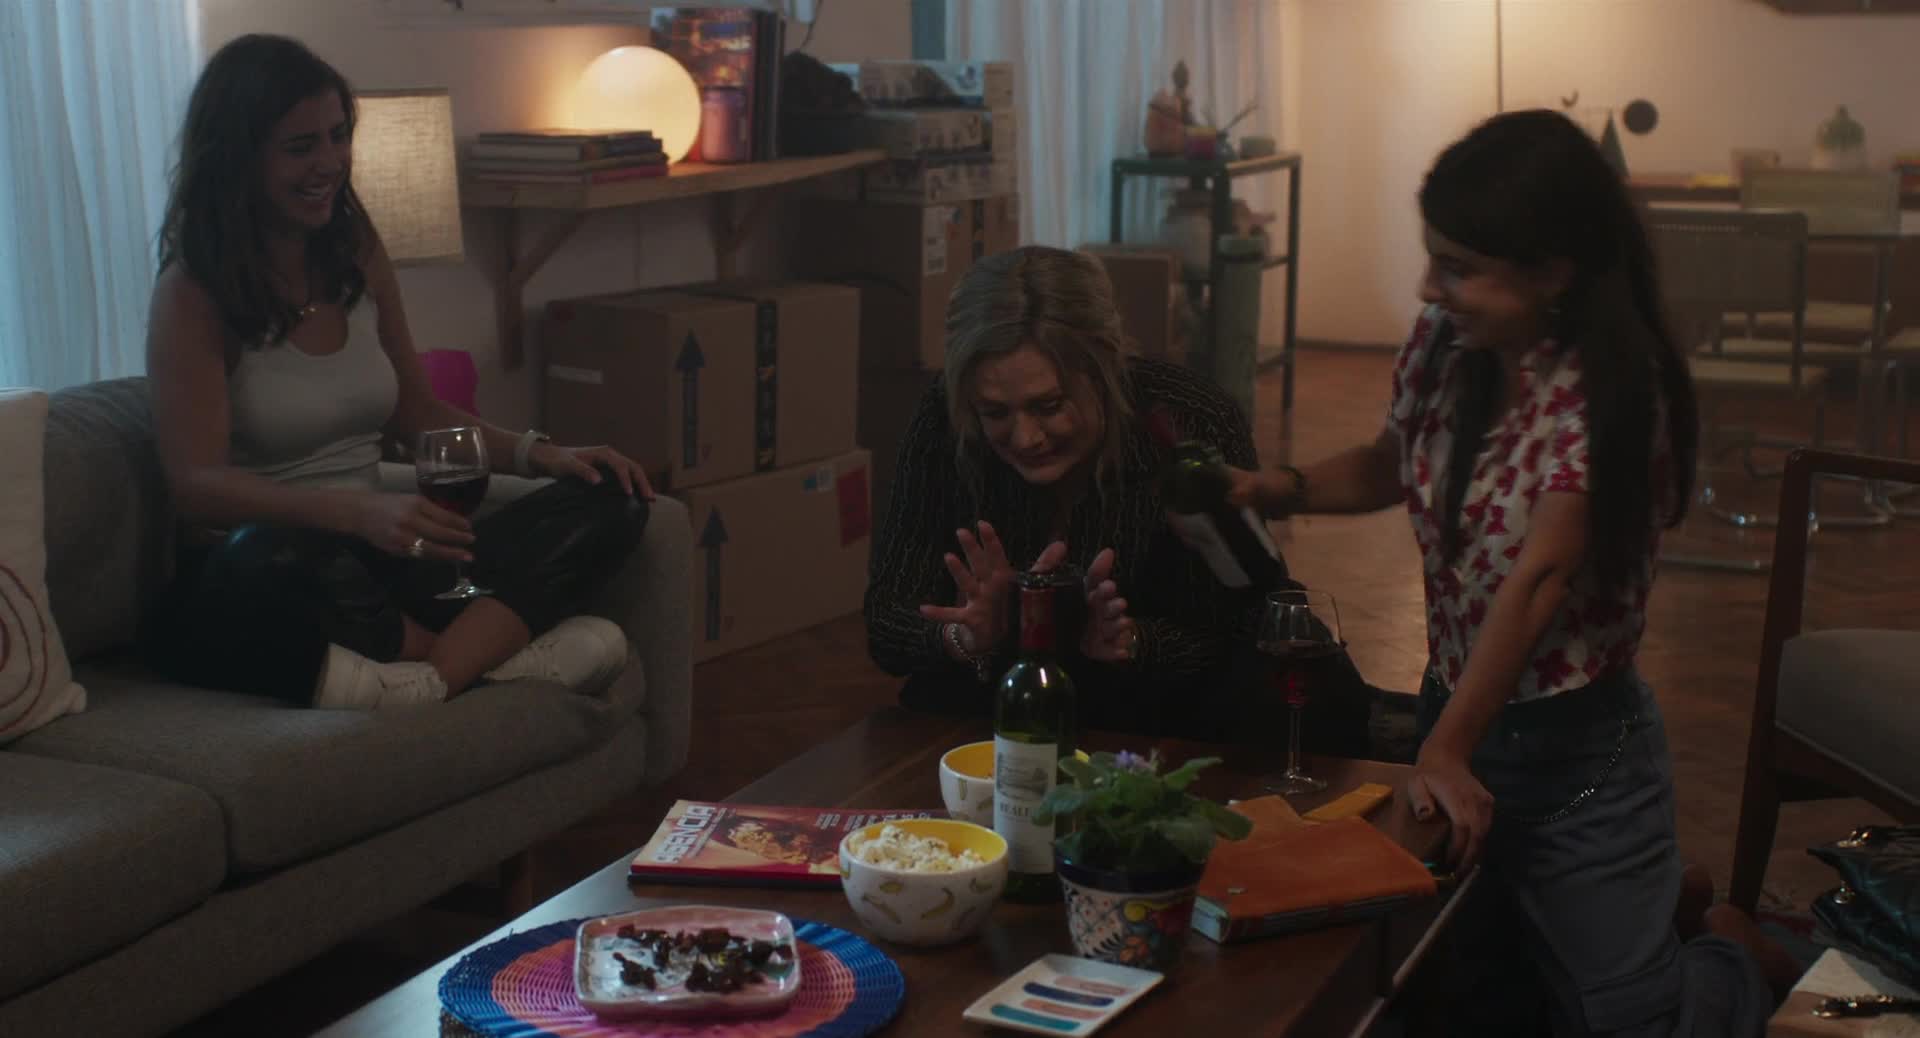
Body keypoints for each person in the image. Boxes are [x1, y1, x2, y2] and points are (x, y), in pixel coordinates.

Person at [1231, 110, 1795, 1034]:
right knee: (1469, 1005)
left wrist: (1446, 749)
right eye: (1432, 259)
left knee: (1635, 1029)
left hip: (1577, 753)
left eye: (1457, 267)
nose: (1429, 287)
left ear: (1553, 272)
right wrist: (1272, 487)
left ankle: (1729, 949)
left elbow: (1540, 581)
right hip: (1454, 711)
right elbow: (1388, 463)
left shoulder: (1613, 393)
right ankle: (1663, 909)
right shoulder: (1447, 343)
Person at [142, 34, 654, 710]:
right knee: (265, 560)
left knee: (613, 496)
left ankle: (433, 675)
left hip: (383, 559)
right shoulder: (193, 294)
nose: (329, 163)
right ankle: (482, 661)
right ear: (238, 159)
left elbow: (418, 414)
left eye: (338, 137)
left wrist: (545, 455)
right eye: (300, 147)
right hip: (276, 571)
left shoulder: (356, 252)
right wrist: (356, 512)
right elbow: (196, 486)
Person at [865, 245, 1377, 749]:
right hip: (1006, 698)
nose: (1025, 438)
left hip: (1164, 706)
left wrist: (1133, 642)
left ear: (1106, 368)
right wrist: (965, 637)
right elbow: (887, 623)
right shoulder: (944, 419)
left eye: (1049, 405)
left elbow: (1243, 623)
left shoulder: (1188, 418)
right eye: (995, 413)